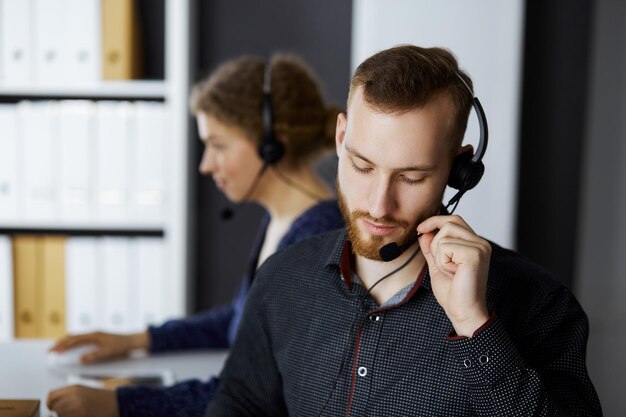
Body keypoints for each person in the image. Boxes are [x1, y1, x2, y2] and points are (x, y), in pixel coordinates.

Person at [204, 45, 602, 416]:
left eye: (411, 177)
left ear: (460, 170)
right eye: (362, 166)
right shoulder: (282, 278)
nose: (379, 205)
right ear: (341, 139)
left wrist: (474, 325)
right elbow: (239, 403)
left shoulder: (542, 305)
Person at [46, 54, 345, 417]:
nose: (206, 164)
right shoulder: (284, 220)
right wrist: (139, 340)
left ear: (271, 145)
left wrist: (118, 403)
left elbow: (256, 393)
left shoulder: (315, 238)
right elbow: (240, 320)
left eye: (218, 145)